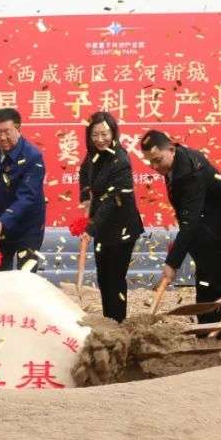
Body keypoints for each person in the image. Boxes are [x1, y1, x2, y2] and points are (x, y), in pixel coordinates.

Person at [139, 130, 221, 333]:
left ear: (171, 149)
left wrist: (172, 263)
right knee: (205, 289)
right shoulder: (176, 162)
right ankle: (204, 335)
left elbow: (189, 222)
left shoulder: (190, 172)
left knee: (218, 293)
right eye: (151, 163)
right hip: (208, 238)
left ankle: (215, 338)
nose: (155, 167)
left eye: (158, 160)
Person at [78, 112, 144, 321]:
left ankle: (117, 324)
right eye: (95, 134)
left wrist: (91, 228)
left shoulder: (120, 160)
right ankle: (109, 321)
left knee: (115, 279)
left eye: (104, 134)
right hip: (102, 226)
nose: (100, 139)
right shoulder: (93, 154)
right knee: (103, 277)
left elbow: (113, 201)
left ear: (113, 133)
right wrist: (85, 195)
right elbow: (84, 172)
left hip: (121, 227)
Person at [0, 108, 47, 272]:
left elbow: (26, 198)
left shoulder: (33, 156)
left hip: (28, 225)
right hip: (0, 222)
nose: (2, 137)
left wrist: (3, 222)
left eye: (7, 131)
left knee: (25, 277)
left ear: (18, 128)